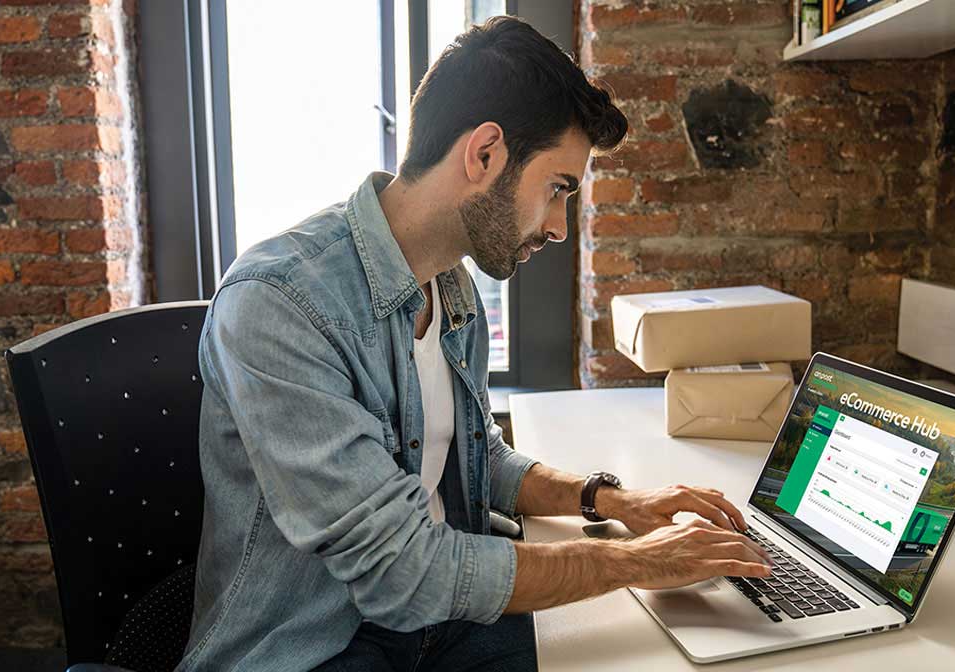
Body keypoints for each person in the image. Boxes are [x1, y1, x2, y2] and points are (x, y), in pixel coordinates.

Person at [177, 15, 772, 672]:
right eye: (557, 189)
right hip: (312, 651)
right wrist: (638, 560)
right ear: (485, 154)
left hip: (431, 628)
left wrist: (612, 501)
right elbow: (402, 572)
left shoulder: (450, 287)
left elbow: (474, 459)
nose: (559, 227)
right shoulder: (280, 304)